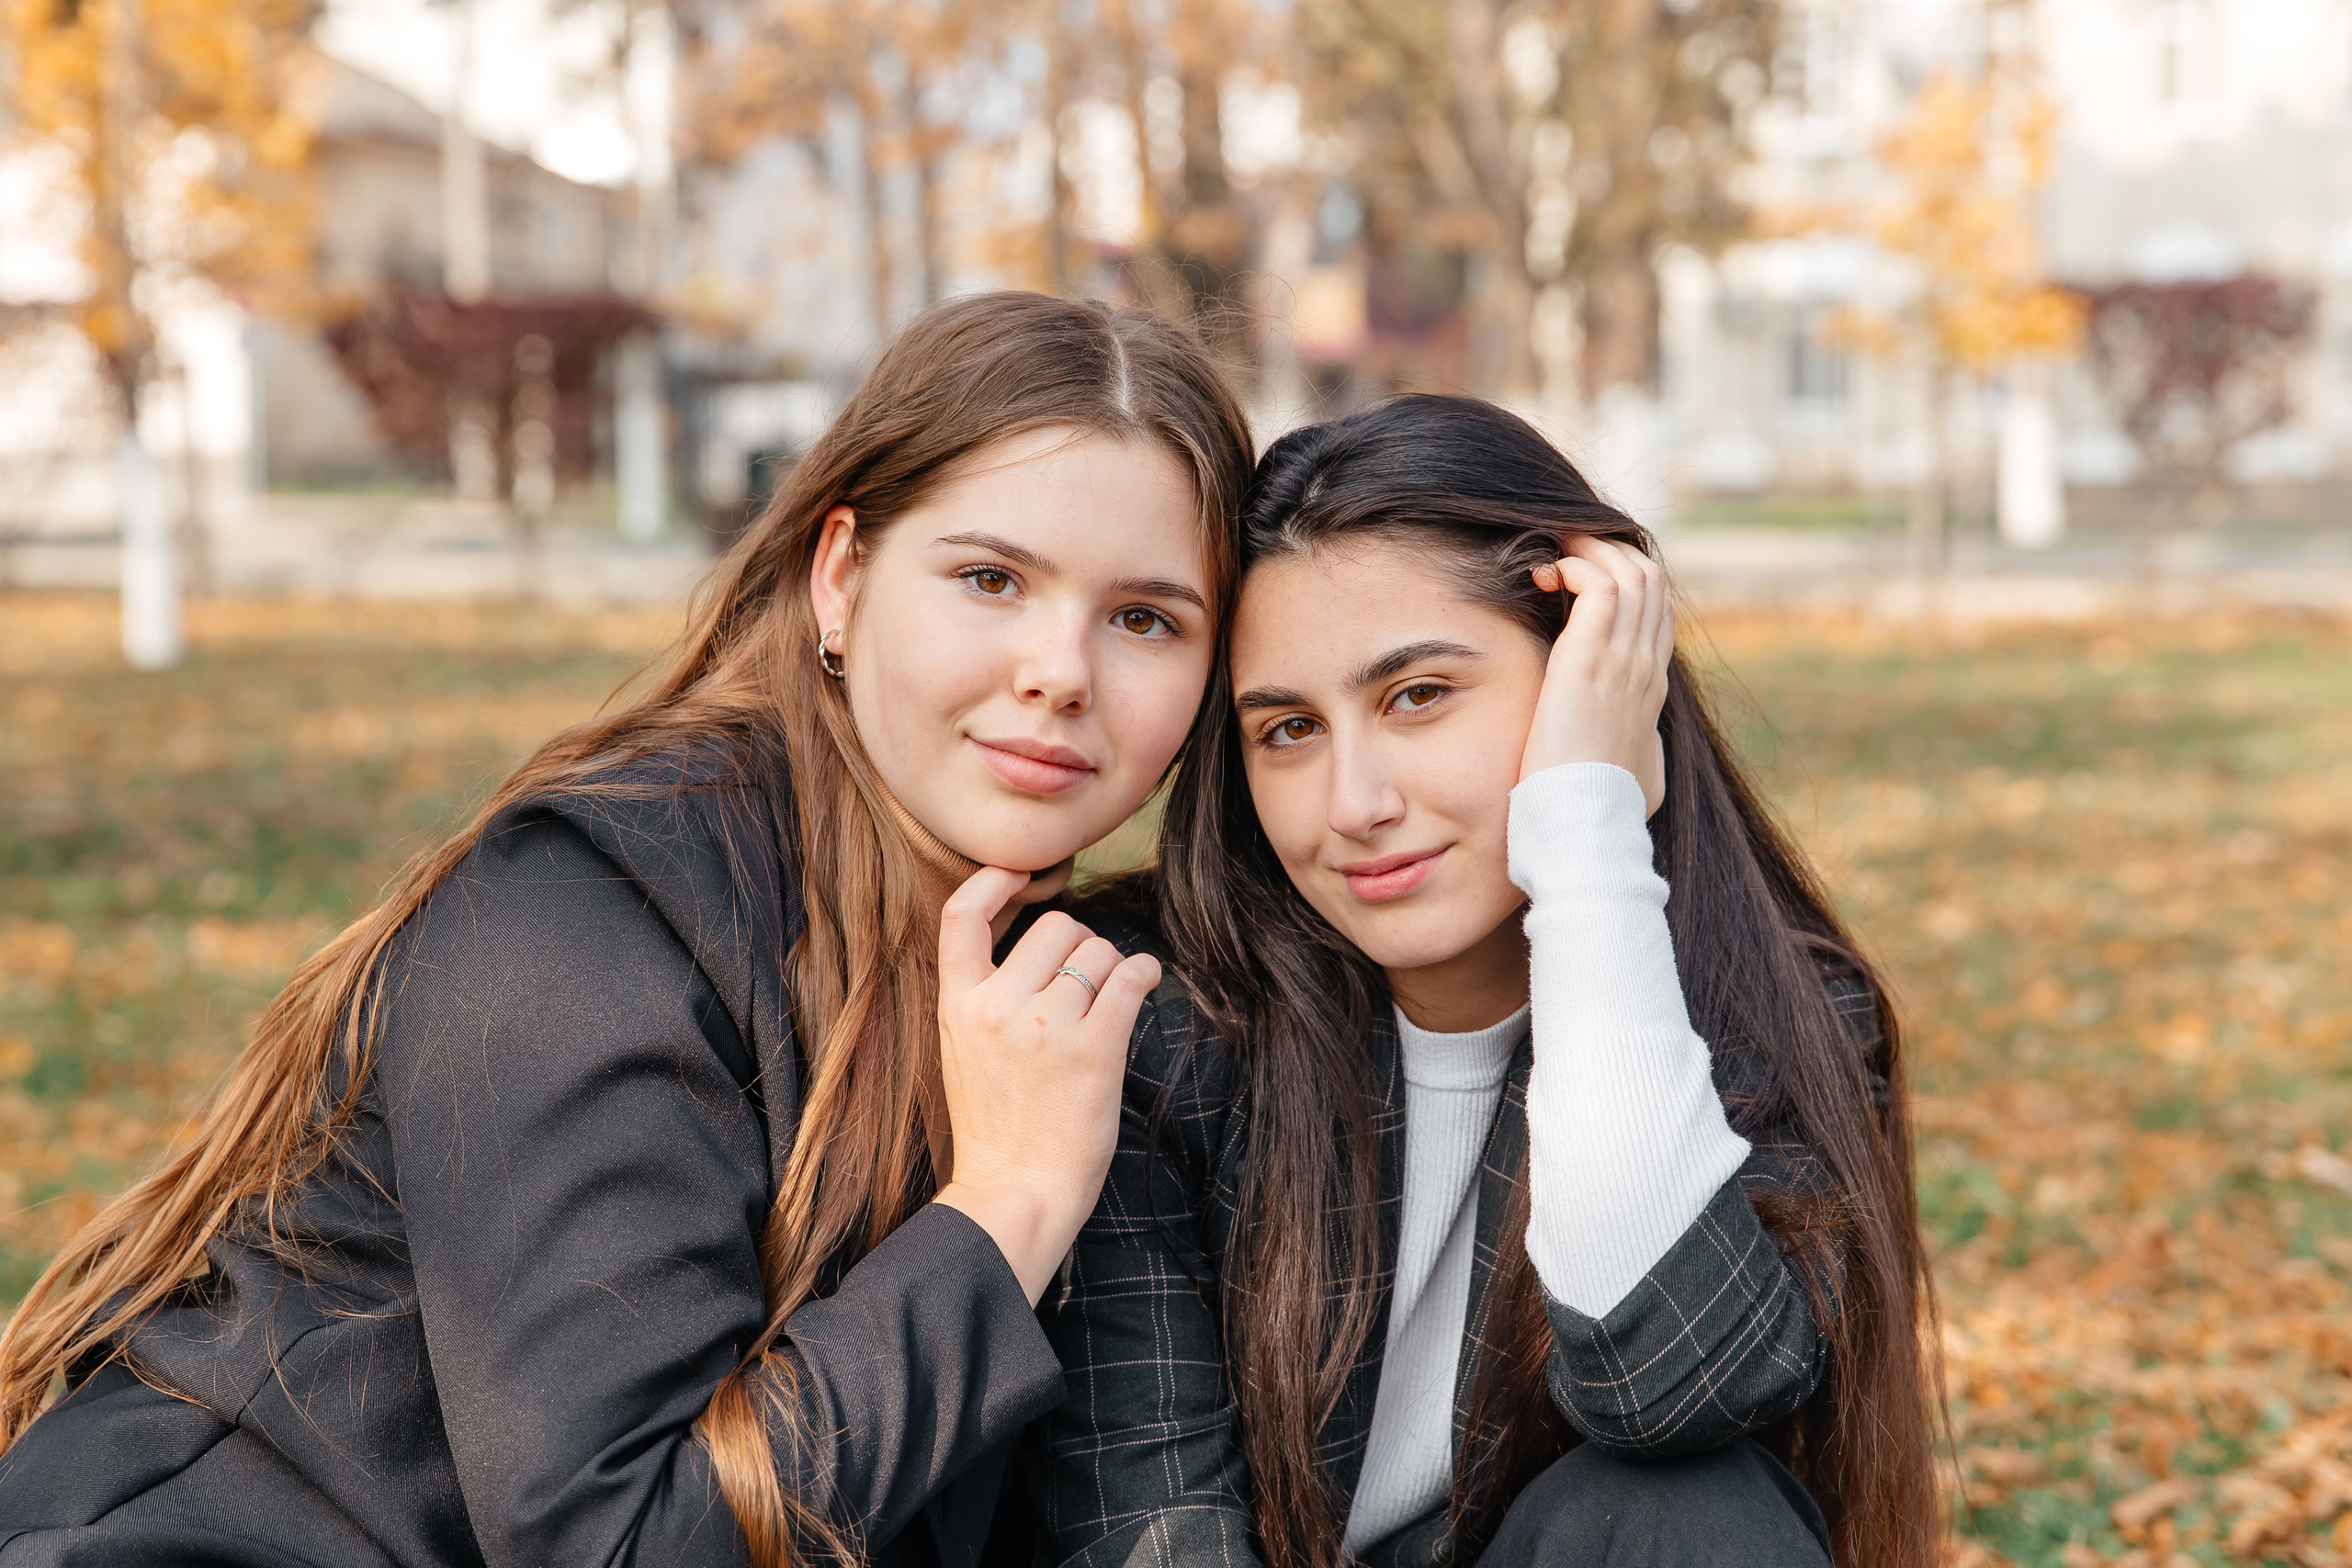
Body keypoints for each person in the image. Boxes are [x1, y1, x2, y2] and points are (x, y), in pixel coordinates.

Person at [0, 292, 1255, 1568]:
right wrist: (1008, 1201)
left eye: (1145, 616)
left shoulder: (1038, 974)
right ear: (840, 579)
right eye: (990, 577)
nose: (1062, 669)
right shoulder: (585, 918)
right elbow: (615, 1543)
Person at [1032, 396, 1939, 1568]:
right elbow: (1146, 1528)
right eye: (1289, 730)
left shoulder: (1779, 1020)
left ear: (1591, 680)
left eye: (1418, 696)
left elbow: (1668, 1383)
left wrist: (1584, 835)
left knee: (1684, 1508)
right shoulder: (1147, 1014)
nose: (1355, 805)